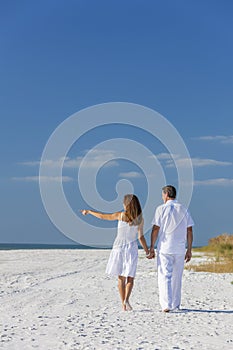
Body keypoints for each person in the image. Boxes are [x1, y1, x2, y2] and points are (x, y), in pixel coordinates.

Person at [81, 194, 149, 311]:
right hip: (131, 248)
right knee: (130, 277)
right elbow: (140, 237)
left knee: (121, 278)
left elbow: (103, 216)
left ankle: (123, 304)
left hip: (119, 247)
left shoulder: (120, 215)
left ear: (126, 204)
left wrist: (89, 211)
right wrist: (147, 251)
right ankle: (126, 300)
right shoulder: (140, 219)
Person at [148, 185, 194, 312]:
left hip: (165, 248)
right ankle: (175, 304)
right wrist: (189, 249)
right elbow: (189, 230)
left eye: (163, 194)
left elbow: (155, 229)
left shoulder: (161, 209)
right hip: (179, 248)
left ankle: (166, 305)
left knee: (164, 275)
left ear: (167, 194)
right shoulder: (184, 209)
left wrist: (152, 246)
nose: (162, 197)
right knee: (177, 277)